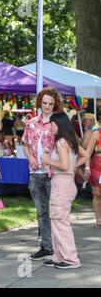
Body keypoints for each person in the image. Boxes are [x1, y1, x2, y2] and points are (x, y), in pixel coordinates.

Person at [41, 112, 89, 269]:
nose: (51, 128)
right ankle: (58, 256)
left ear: (59, 124)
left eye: (52, 124)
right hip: (66, 183)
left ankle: (70, 259)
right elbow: (85, 154)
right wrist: (74, 166)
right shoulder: (71, 140)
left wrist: (49, 160)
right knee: (57, 220)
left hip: (61, 184)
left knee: (60, 222)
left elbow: (63, 165)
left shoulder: (62, 142)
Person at [22, 87, 64, 261]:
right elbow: (25, 144)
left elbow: (65, 147)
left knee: (56, 212)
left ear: (55, 104)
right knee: (41, 212)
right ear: (40, 102)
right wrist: (30, 157)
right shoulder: (31, 123)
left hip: (53, 174)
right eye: (44, 103)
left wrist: (54, 163)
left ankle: (60, 248)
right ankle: (46, 247)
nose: (47, 106)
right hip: (35, 173)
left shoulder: (58, 124)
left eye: (50, 104)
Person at [83, 125, 101, 228]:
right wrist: (86, 166)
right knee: (97, 194)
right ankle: (99, 220)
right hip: (97, 167)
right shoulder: (96, 134)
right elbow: (88, 152)